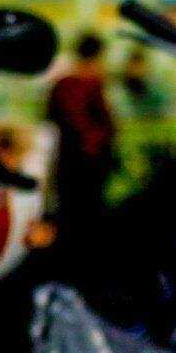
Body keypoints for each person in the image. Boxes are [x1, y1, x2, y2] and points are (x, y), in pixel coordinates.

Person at [46, 32, 116, 247]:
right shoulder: (89, 83)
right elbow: (96, 125)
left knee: (70, 214)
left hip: (68, 160)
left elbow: (53, 119)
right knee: (87, 217)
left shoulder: (63, 84)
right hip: (87, 161)